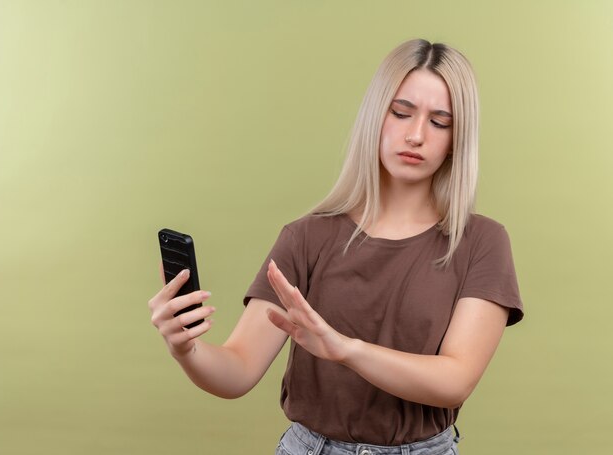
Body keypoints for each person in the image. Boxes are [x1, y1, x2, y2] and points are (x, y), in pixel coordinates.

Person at [148, 38, 524, 455]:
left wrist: (344, 349)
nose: (416, 135)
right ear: (375, 117)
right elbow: (237, 372)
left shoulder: (482, 242)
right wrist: (186, 348)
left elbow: (455, 381)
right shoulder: (307, 237)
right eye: (401, 113)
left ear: (457, 139)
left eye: (440, 122)